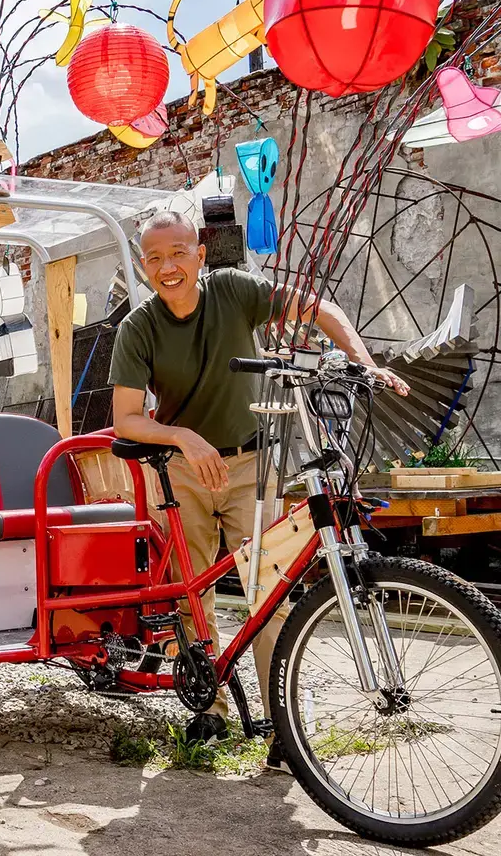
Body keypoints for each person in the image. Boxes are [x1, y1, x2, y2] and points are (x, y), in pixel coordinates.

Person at [109, 210, 409, 754]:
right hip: (180, 473)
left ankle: (282, 722)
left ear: (200, 254)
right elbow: (127, 417)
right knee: (193, 591)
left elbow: (318, 308)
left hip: (250, 465)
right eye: (153, 258)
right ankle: (212, 707)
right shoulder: (139, 328)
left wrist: (363, 362)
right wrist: (181, 437)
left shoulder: (234, 290)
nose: (167, 267)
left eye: (177, 253)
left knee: (266, 593)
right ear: (144, 266)